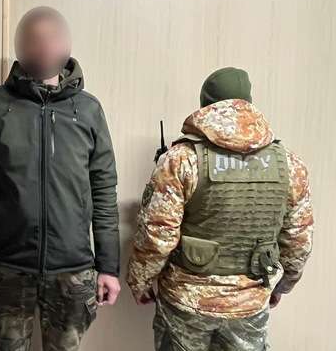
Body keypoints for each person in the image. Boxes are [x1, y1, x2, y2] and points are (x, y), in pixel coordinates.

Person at [0, 7, 121, 351]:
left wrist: (109, 266)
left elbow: (103, 190)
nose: (44, 46)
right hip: (7, 267)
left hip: (73, 269)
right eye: (35, 40)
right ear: (22, 45)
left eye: (52, 38)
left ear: (65, 44)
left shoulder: (88, 110)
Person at [127, 67, 314, 350]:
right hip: (249, 303)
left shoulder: (181, 159)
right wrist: (283, 284)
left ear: (206, 105)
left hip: (185, 302)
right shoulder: (289, 165)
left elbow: (157, 235)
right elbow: (299, 240)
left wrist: (139, 281)